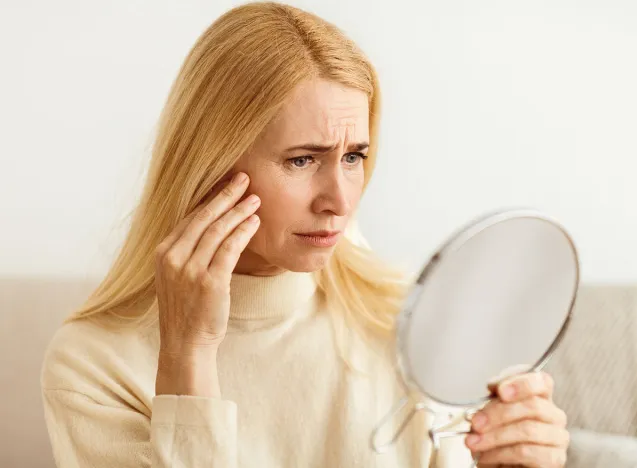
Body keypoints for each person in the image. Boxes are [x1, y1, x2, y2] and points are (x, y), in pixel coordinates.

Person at [40, 2, 570, 467]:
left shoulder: (409, 323)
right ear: (210, 165)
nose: (339, 201)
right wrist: (189, 357)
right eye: (301, 160)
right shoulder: (92, 364)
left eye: (354, 157)